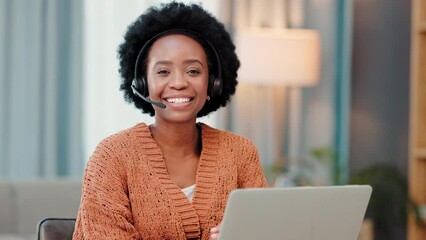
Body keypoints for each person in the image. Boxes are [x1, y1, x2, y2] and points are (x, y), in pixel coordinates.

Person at [73, 1, 268, 239]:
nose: (179, 82)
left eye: (193, 71)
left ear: (213, 83)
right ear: (142, 84)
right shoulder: (112, 157)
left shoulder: (241, 153)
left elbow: (266, 231)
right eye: (163, 71)